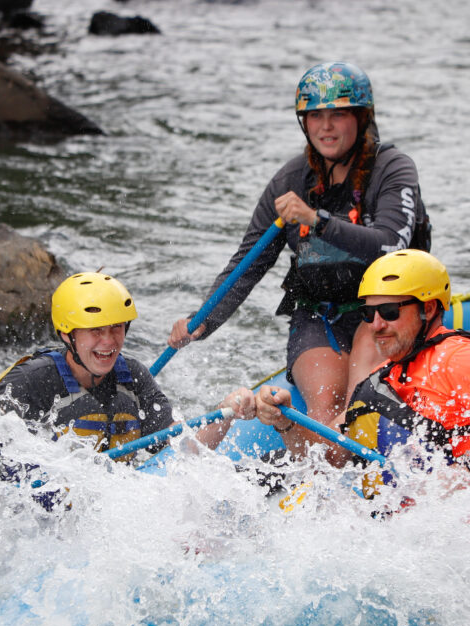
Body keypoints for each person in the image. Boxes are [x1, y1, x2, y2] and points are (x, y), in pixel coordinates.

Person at [167, 61, 431, 434]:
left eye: (337, 114)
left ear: (361, 118)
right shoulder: (290, 180)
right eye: (315, 116)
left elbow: (390, 243)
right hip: (319, 315)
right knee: (326, 405)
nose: (325, 126)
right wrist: (201, 323)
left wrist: (316, 220)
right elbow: (248, 262)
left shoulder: (393, 169)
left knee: (365, 403)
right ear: (303, 122)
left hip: (387, 312)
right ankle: (323, 478)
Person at [253, 251, 470, 480]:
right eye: (368, 314)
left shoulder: (459, 357)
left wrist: (465, 472)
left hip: (468, 515)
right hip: (403, 525)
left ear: (429, 308)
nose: (376, 325)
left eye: (389, 311)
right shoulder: (384, 375)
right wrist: (286, 422)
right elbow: (325, 459)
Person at [0, 272, 256, 484]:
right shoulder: (34, 380)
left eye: (116, 328)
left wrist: (227, 410)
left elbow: (185, 448)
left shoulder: (133, 377)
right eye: (95, 330)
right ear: (67, 334)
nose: (109, 342)